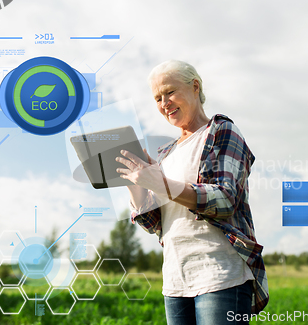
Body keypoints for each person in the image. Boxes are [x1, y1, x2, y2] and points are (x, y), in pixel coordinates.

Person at [115, 60, 269, 325]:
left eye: (170, 92)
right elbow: (156, 223)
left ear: (195, 87)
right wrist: (135, 181)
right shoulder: (166, 153)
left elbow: (225, 199)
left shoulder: (221, 131)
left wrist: (161, 183)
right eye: (158, 98)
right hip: (176, 280)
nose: (164, 103)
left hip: (220, 274)